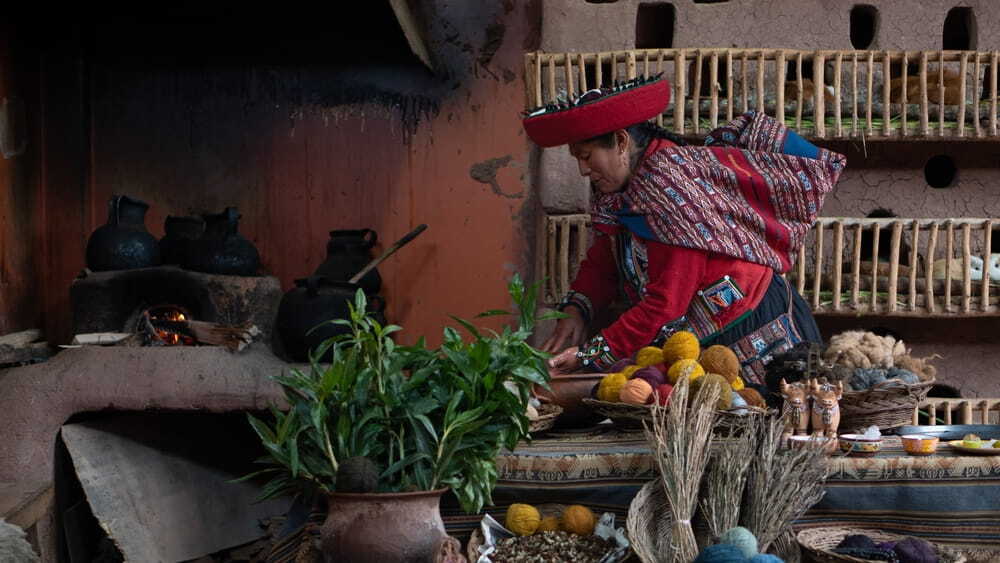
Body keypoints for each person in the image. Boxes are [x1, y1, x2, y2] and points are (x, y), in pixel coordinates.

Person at [522, 76, 846, 384]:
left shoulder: (667, 187)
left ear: (621, 142)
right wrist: (576, 310)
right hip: (703, 338)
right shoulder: (622, 191)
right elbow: (605, 259)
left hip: (753, 325)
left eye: (587, 156)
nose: (582, 169)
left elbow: (665, 305)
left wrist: (590, 355)